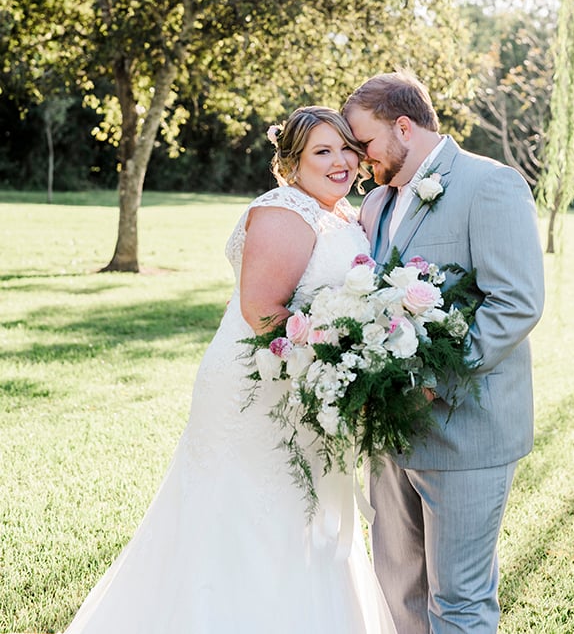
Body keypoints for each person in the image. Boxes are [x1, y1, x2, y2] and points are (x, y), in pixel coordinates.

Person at [64, 107, 396, 634]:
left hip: (306, 383)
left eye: (345, 149)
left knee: (302, 517)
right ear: (291, 164)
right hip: (257, 388)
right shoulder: (284, 211)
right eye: (321, 151)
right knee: (247, 515)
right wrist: (347, 347)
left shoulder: (339, 214)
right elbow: (264, 312)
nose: (340, 162)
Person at [343, 70, 545, 634]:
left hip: (465, 428)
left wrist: (431, 381)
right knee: (398, 592)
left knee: (458, 600)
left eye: (365, 143)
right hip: (388, 436)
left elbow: (516, 302)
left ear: (403, 126)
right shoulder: (376, 203)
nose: (360, 159)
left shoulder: (491, 184)